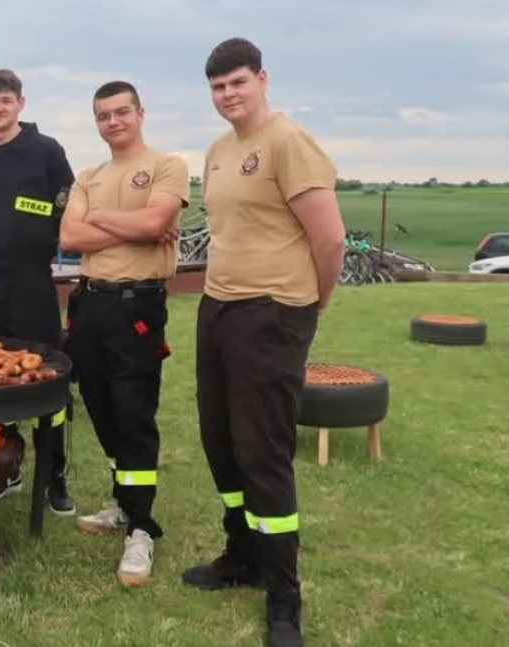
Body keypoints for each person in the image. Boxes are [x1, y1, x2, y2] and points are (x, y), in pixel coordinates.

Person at [181, 38, 345, 647]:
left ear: (262, 80)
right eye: (219, 87)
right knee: (219, 441)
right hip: (218, 306)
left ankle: (284, 599)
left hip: (272, 313)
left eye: (238, 83)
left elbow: (329, 240)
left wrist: (312, 305)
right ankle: (241, 555)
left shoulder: (288, 143)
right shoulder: (219, 150)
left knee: (263, 452)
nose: (228, 95)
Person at [58, 81, 189, 586]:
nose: (112, 122)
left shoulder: (166, 165)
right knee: (101, 406)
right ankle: (121, 499)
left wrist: (108, 218)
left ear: (140, 113)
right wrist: (135, 225)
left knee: (134, 412)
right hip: (90, 302)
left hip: (138, 304)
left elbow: (158, 218)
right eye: (103, 116)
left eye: (121, 113)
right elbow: (70, 237)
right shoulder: (88, 175)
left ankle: (142, 528)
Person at [0, 69, 76, 515]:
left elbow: (67, 206)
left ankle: (55, 474)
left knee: (45, 378)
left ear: (21, 103)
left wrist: (43, 227)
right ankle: (2, 467)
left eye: (6, 100)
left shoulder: (45, 152)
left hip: (30, 281)